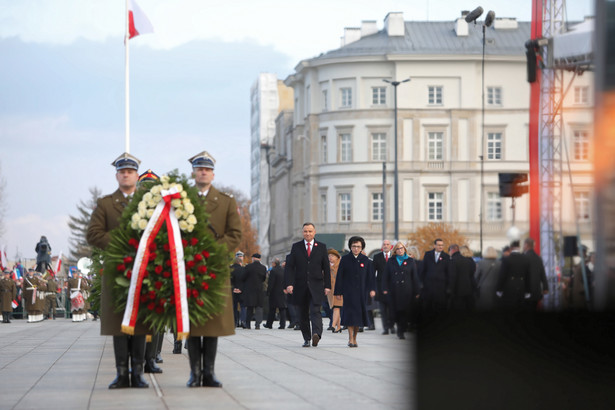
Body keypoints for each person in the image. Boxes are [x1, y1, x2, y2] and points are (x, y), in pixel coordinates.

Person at [86, 152, 149, 389]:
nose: (126, 175)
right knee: (119, 324)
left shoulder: (149, 203)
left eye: (130, 172)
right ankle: (122, 373)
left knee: (140, 323)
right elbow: (93, 234)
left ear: (136, 175)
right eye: (122, 172)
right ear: (117, 176)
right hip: (117, 272)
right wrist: (122, 238)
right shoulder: (105, 204)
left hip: (144, 271)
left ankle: (139, 373)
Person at [186, 150, 242, 388]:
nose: (203, 173)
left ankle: (208, 372)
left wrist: (213, 249)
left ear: (213, 174)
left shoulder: (226, 201)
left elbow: (235, 234)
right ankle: (194, 373)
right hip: (187, 269)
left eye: (207, 170)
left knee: (211, 324)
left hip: (214, 268)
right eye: (200, 169)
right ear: (194, 173)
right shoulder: (181, 199)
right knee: (192, 324)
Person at [284, 222, 331, 347]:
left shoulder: (321, 247)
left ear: (314, 232)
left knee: (315, 311)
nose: (308, 233)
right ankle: (307, 338)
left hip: (316, 286)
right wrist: (289, 284)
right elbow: (289, 267)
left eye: (310, 231)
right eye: (305, 231)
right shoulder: (296, 247)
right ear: (302, 232)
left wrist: (327, 285)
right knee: (302, 313)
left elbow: (326, 268)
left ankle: (316, 334)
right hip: (300, 286)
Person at [334, 236, 375, 347]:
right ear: (350, 247)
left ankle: (355, 337)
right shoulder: (345, 259)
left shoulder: (366, 261)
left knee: (358, 318)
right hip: (348, 293)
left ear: (362, 248)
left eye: (358, 246)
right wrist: (338, 292)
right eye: (353, 246)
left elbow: (371, 277)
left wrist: (372, 289)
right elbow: (340, 277)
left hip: (362, 293)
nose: (356, 248)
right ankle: (350, 338)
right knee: (350, 316)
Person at [382, 242, 421, 339]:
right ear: (395, 250)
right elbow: (385, 276)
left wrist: (417, 291)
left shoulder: (410, 261)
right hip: (393, 290)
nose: (400, 250)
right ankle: (395, 325)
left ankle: (401, 330)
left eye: (402, 248)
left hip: (406, 290)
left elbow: (414, 277)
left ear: (404, 249)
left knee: (404, 311)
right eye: (398, 249)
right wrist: (385, 288)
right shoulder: (391, 261)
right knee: (395, 311)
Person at [420, 238, 450, 322]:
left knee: (440, 308)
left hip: (441, 288)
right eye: (439, 245)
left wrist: (448, 287)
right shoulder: (428, 254)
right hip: (428, 287)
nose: (441, 247)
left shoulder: (446, 257)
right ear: (434, 245)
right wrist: (421, 283)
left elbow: (448, 272)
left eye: (442, 245)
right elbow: (423, 269)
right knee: (428, 307)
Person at [496, 240, 531, 310]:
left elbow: (502, 275)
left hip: (509, 288)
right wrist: (528, 290)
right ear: (519, 247)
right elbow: (528, 276)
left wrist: (499, 289)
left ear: (511, 248)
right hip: (522, 286)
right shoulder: (526, 259)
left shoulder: (506, 259)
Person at [373, 240, 394, 335]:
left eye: (387, 244)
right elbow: (372, 272)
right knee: (383, 309)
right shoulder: (377, 257)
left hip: (393, 288)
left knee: (392, 309)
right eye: (384, 244)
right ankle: (386, 328)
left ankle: (392, 326)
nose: (385, 246)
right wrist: (372, 287)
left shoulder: (394, 257)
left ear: (391, 246)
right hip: (380, 287)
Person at [447, 245, 477, 311]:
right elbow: (472, 275)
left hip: (457, 291)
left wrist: (450, 290)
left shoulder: (453, 261)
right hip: (469, 289)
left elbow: (452, 277)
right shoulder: (469, 261)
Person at [242, 253, 267, 329]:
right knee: (258, 307)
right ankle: (257, 324)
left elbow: (244, 277)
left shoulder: (248, 267)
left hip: (249, 290)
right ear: (259, 259)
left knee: (249, 307)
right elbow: (263, 279)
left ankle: (248, 324)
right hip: (259, 289)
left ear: (253, 258)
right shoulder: (263, 268)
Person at [523, 237, 549, 311]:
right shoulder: (538, 258)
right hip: (536, 292)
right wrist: (545, 288)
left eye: (524, 244)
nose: (523, 246)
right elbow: (543, 274)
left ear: (526, 245)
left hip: (525, 292)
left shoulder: (524, 257)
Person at [475, 246, 501, 311]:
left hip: (484, 286)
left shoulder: (481, 262)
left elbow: (476, 276)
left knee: (485, 304)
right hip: (496, 286)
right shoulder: (500, 263)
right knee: (494, 304)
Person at [264, 258, 287, 329]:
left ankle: (269, 324)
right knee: (282, 309)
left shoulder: (273, 271)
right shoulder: (283, 270)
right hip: (282, 292)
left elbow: (271, 283)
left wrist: (268, 292)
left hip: (274, 292)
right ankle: (282, 324)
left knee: (272, 309)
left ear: (274, 263)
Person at [326, 248, 343, 333]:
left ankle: (333, 325)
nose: (330, 257)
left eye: (332, 256)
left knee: (337, 307)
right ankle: (339, 326)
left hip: (339, 289)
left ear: (337, 257)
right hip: (330, 290)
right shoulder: (327, 266)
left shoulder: (341, 265)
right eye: (329, 256)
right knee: (334, 307)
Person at [230, 251, 245, 328]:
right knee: (243, 306)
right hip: (241, 291)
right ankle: (243, 321)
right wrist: (240, 289)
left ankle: (235, 322)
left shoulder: (230, 268)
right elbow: (244, 280)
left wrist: (234, 288)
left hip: (233, 290)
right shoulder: (243, 269)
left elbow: (230, 280)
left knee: (234, 307)